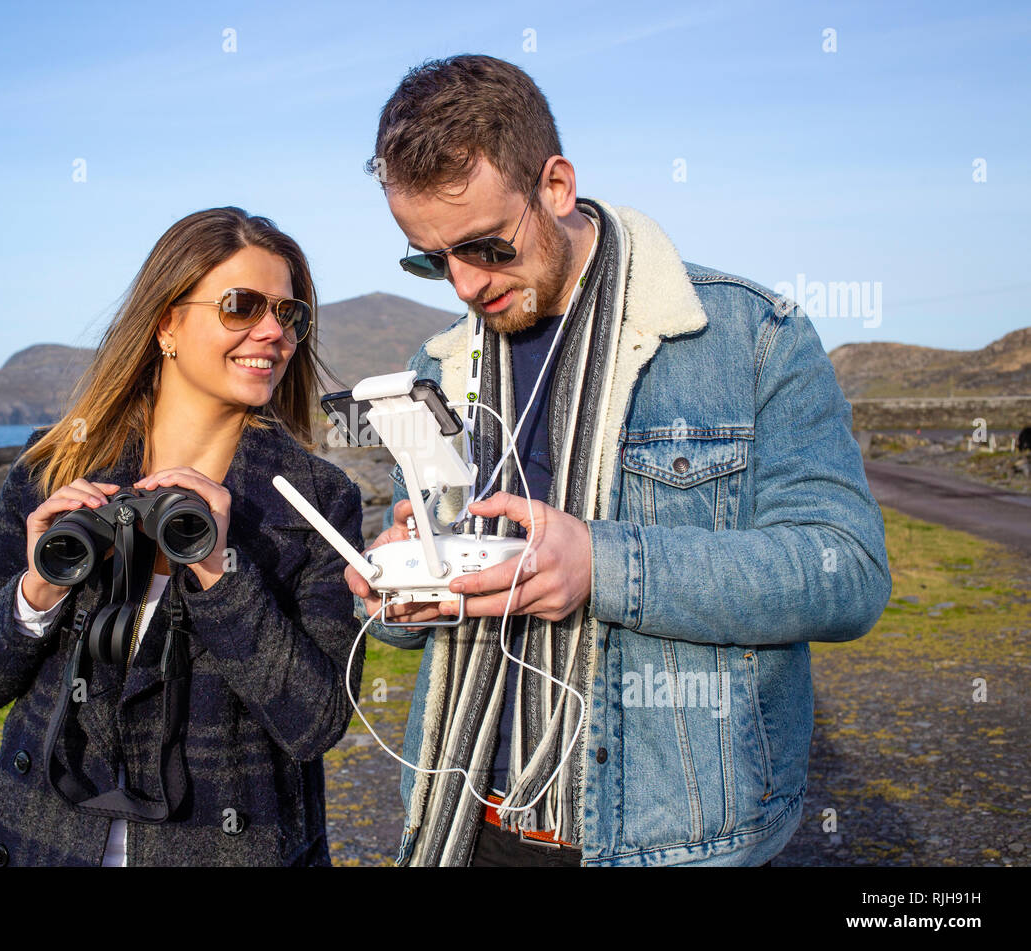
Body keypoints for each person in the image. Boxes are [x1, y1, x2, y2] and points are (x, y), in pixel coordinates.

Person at [346, 55, 891, 867]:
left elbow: (845, 573)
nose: (464, 285)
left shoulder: (749, 337)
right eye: (431, 259)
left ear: (556, 186)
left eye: (486, 247)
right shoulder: (438, 368)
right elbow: (416, 631)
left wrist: (603, 566)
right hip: (464, 830)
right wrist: (400, 590)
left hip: (670, 844)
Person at [0, 206, 364, 866]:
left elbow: (316, 721)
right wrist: (39, 588)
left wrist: (221, 574)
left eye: (289, 315)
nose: (272, 333)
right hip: (38, 845)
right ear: (167, 321)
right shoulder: (54, 465)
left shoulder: (316, 500)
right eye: (242, 306)